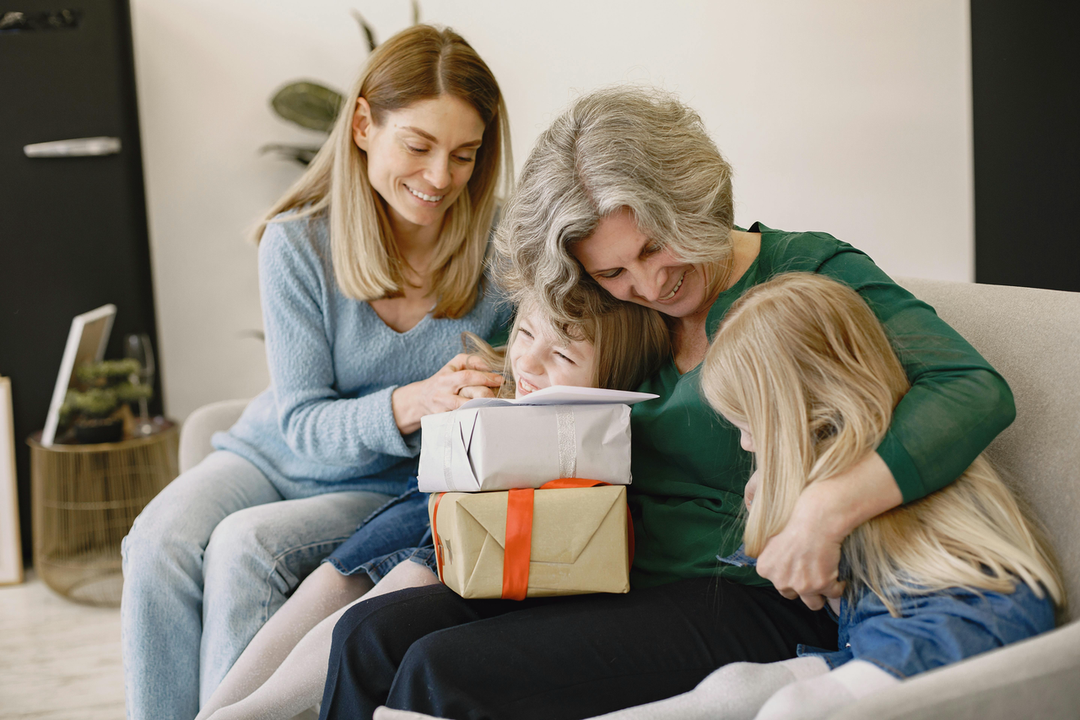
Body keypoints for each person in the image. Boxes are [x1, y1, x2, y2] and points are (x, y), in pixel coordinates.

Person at [317, 86, 1019, 720]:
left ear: (695, 199)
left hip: (747, 589)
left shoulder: (803, 275)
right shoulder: (613, 306)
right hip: (606, 563)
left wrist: (825, 510)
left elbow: (970, 387)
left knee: (442, 673)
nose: (650, 285)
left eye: (658, 248)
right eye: (614, 271)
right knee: (367, 637)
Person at [120, 25, 515, 720]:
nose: (439, 178)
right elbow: (299, 421)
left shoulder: (503, 254)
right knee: (155, 542)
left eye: (464, 155)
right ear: (363, 124)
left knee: (246, 547)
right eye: (418, 146)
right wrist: (413, 402)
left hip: (390, 485)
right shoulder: (298, 241)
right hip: (272, 452)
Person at [585, 271, 1059, 720]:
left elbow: (826, 588)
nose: (747, 445)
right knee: (735, 688)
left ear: (797, 418)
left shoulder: (867, 475)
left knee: (795, 708)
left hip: (955, 628)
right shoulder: (845, 460)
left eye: (749, 427)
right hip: (876, 637)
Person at [195, 291, 670, 720]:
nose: (529, 362)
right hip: (433, 495)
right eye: (525, 332)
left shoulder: (604, 432)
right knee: (338, 575)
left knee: (409, 576)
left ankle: (248, 714)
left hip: (503, 519)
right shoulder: (503, 379)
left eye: (562, 355)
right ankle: (217, 712)